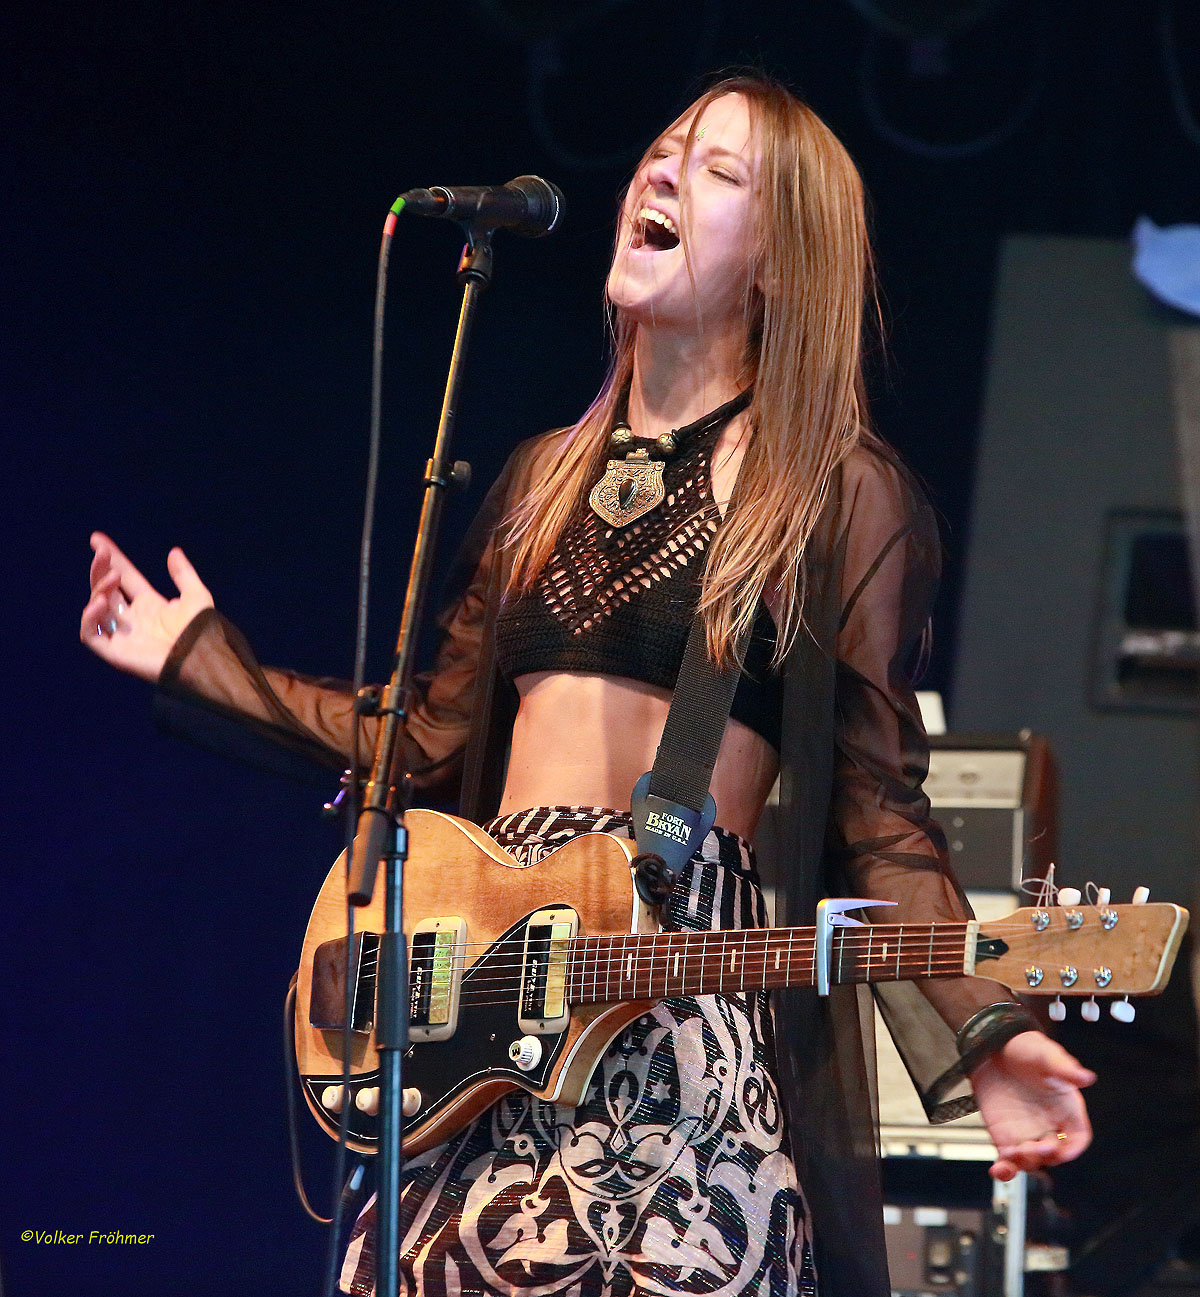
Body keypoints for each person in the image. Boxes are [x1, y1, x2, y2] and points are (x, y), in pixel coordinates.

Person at [81, 74, 1095, 1297]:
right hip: (481, 1008)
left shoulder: (832, 493)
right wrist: (201, 661)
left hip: (672, 1015)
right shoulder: (538, 476)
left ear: (781, 262)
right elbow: (428, 735)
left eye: (717, 170)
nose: (661, 173)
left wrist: (988, 1029)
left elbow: (879, 814)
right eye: (664, 151)